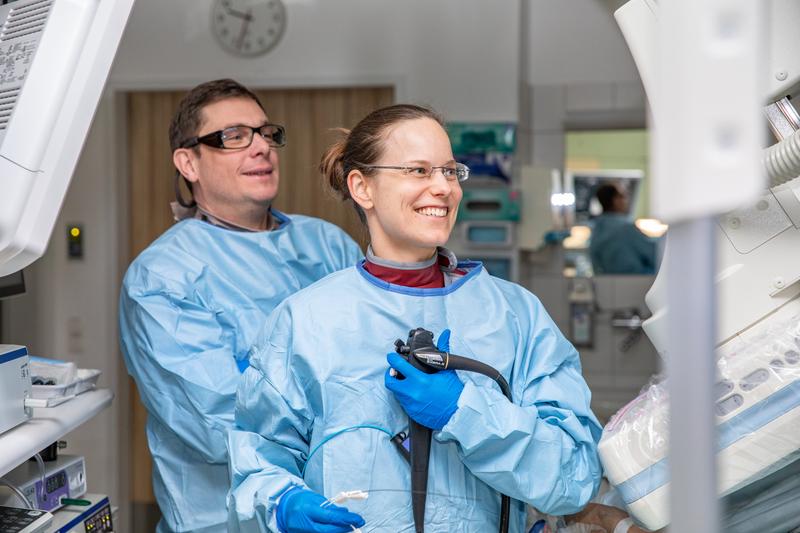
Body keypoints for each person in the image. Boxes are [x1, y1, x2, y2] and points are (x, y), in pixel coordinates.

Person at [227, 104, 603, 532]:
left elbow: (576, 477)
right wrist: (281, 504)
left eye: (449, 171)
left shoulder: (515, 315)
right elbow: (257, 463)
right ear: (361, 188)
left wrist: (464, 411)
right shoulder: (306, 321)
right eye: (419, 171)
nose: (443, 187)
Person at [119, 79, 363, 533]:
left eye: (267, 134)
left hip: (351, 507)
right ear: (187, 161)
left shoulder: (329, 244)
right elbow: (219, 424)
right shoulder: (162, 278)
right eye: (233, 137)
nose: (261, 149)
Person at [589, 183, 658, 275]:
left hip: (608, 285)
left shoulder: (597, 230)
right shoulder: (626, 228)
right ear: (615, 200)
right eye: (623, 196)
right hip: (637, 283)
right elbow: (655, 255)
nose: (626, 201)